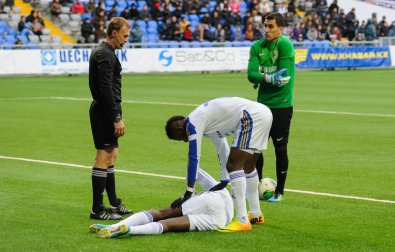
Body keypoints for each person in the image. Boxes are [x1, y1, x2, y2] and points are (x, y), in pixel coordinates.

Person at [165, 96, 274, 232]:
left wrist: (188, 191)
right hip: (264, 113)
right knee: (248, 167)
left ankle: (242, 221)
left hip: (251, 116)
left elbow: (194, 157)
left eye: (180, 139)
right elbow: (222, 149)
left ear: (180, 129)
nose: (184, 141)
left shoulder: (193, 124)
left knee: (234, 166)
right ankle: (256, 215)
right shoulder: (206, 124)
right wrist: (224, 180)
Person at [89, 168, 234, 238]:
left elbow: (194, 169)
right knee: (168, 224)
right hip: (220, 219)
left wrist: (190, 193)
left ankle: (114, 226)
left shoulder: (220, 188)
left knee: (159, 213)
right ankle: (128, 230)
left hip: (216, 199)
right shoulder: (222, 208)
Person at [247, 12, 295, 203]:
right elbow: (251, 74)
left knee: (280, 148)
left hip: (281, 105)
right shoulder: (257, 46)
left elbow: (284, 79)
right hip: (261, 106)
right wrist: (267, 78)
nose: (266, 30)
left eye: (271, 26)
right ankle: (255, 185)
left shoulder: (285, 44)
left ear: (280, 28)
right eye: (265, 26)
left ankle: (280, 191)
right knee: (254, 149)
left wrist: (265, 77)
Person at [88, 17, 133, 220]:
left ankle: (113, 203)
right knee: (103, 156)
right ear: (114, 33)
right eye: (124, 36)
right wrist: (115, 116)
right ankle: (97, 209)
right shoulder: (105, 55)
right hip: (105, 111)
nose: (125, 40)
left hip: (109, 109)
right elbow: (105, 88)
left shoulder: (105, 52)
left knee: (111, 155)